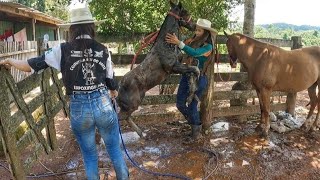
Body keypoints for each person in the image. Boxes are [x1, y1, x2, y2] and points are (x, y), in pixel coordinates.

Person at [0, 1, 129, 180]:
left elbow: (32, 65)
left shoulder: (61, 50)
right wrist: (113, 93)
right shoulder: (103, 49)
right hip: (103, 103)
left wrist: (11, 61)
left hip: (79, 107)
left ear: (71, 29)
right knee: (115, 150)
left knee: (90, 156)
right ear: (91, 27)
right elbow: (110, 80)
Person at [165, 18, 217, 141]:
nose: (197, 32)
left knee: (193, 106)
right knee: (179, 104)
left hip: (198, 79)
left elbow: (193, 53)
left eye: (200, 31)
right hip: (186, 76)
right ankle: (195, 124)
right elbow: (183, 47)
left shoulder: (208, 47)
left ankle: (195, 132)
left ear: (206, 33)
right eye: (197, 30)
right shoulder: (191, 41)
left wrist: (178, 43)